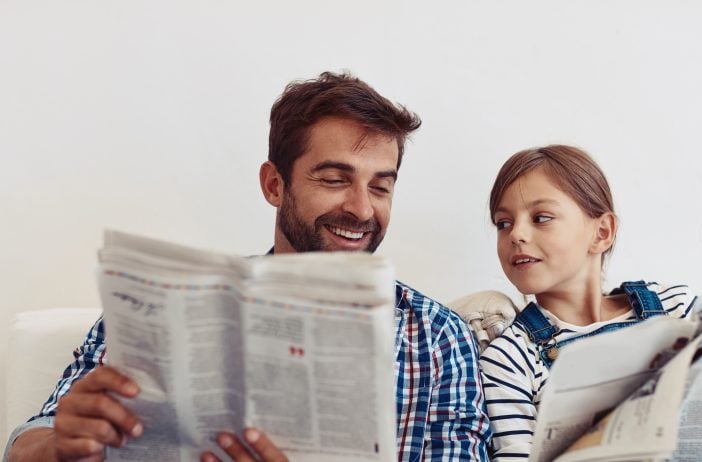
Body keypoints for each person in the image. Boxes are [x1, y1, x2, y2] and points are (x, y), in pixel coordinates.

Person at [4, 71, 491, 462]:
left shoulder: (438, 336)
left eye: (381, 186)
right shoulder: (167, 301)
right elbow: (29, 441)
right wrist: (61, 445)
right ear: (274, 185)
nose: (362, 210)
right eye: (335, 178)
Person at [479, 144, 702, 461]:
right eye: (502, 223)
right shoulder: (508, 360)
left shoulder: (676, 306)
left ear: (602, 232)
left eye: (541, 217)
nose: (516, 234)